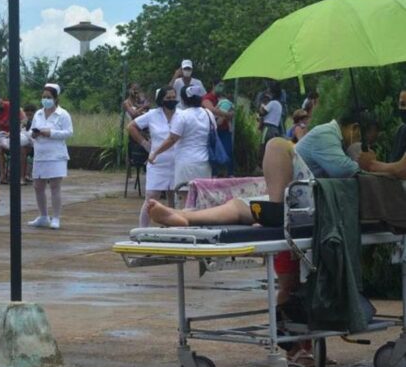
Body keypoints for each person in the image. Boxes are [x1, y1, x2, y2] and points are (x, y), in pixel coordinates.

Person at [147, 109, 374, 309]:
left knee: (276, 147)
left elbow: (345, 171)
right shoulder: (327, 134)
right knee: (239, 206)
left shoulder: (334, 139)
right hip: (295, 200)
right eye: (366, 139)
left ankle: (273, 212)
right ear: (354, 129)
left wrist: (368, 164)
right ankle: (184, 217)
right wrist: (367, 163)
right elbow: (345, 169)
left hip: (304, 203)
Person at [128, 87, 178, 227]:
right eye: (168, 98)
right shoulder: (152, 115)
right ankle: (142, 231)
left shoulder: (181, 114)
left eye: (174, 97)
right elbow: (131, 126)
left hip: (176, 161)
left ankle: (173, 228)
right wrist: (144, 143)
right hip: (157, 161)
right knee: (151, 197)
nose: (172, 100)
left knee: (173, 197)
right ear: (161, 100)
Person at [27, 83, 74, 230]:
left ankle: (56, 217)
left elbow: (69, 132)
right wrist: (33, 134)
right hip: (40, 154)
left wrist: (51, 133)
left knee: (55, 186)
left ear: (55, 98)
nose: (46, 100)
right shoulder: (38, 114)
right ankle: (43, 215)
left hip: (56, 155)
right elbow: (30, 132)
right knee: (38, 186)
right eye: (43, 97)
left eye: (49, 97)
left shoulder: (63, 114)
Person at [149, 85, 213, 189]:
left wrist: (155, 153)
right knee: (201, 197)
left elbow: (172, 139)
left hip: (186, 163)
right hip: (205, 162)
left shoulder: (182, 116)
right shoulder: (208, 113)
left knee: (185, 197)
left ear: (183, 99)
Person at [202, 80, 234, 176]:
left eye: (223, 86)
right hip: (213, 130)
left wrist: (229, 114)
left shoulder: (224, 100)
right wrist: (227, 114)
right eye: (219, 85)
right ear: (213, 85)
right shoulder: (207, 97)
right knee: (213, 153)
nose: (221, 88)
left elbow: (232, 112)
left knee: (228, 151)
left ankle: (229, 174)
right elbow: (211, 109)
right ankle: (214, 174)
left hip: (224, 130)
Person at [259, 84, 284, 160]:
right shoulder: (279, 105)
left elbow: (262, 113)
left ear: (273, 93)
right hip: (275, 129)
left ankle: (261, 166)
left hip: (268, 128)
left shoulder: (272, 103)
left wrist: (262, 105)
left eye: (269, 91)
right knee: (271, 150)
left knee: (263, 147)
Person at [21, 104, 37, 183]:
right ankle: (23, 176)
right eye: (26, 114)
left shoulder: (37, 121)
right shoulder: (23, 122)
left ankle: (25, 176)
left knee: (23, 150)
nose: (28, 116)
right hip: (26, 145)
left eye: (30, 115)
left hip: (35, 145)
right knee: (22, 150)